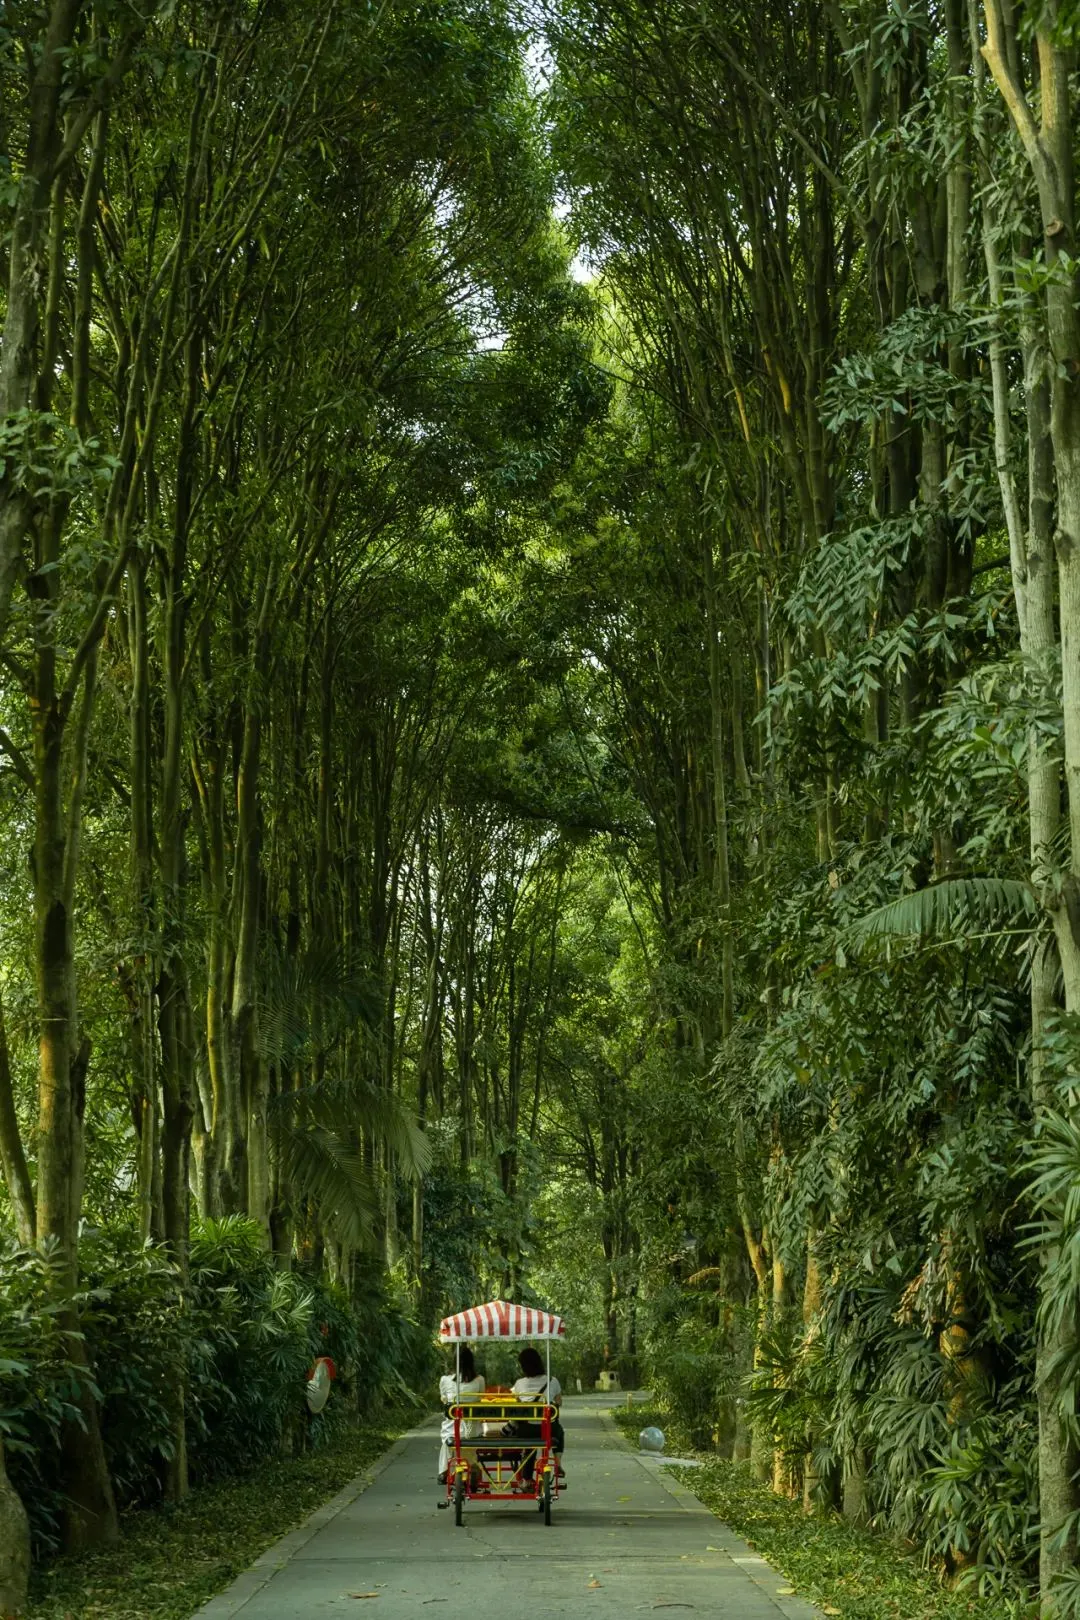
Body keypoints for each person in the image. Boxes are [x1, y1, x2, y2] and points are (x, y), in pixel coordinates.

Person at [510, 1345, 565, 1479]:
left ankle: (527, 1479)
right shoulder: (552, 1380)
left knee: (529, 1445)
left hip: (526, 1431)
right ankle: (558, 1464)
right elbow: (559, 1403)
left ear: (523, 1366)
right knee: (560, 1431)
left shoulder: (519, 1383)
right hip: (548, 1429)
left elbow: (518, 1407)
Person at [438, 1346, 484, 1482]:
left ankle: (443, 1471)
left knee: (448, 1440)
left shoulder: (445, 1380)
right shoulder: (479, 1380)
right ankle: (473, 1465)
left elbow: (444, 1399)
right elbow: (480, 1398)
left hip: (452, 1429)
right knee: (468, 1440)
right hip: (473, 1430)